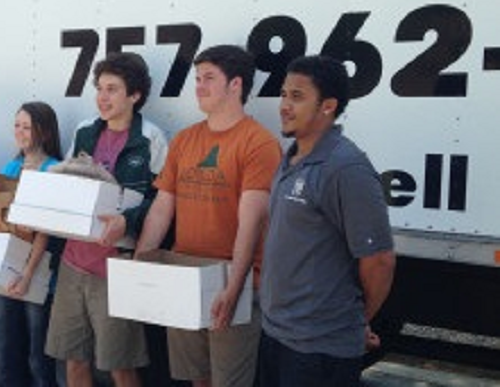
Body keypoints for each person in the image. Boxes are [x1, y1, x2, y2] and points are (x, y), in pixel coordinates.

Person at [135, 45, 282, 387]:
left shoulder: (258, 143)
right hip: (183, 275)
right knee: (196, 378)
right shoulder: (185, 139)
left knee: (227, 382)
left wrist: (234, 286)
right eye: (197, 79)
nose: (199, 86)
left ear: (236, 85)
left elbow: (252, 222)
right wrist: (141, 263)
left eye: (209, 78)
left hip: (233, 279)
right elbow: (161, 208)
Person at [258, 55, 396, 387]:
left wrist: (356, 321)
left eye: (297, 96)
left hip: (318, 351)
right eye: (284, 94)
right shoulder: (292, 157)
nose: (284, 105)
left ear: (328, 106)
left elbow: (379, 261)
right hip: (276, 335)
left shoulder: (346, 168)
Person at [45, 52, 168, 387]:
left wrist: (127, 220)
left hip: (116, 266)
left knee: (120, 366)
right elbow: (66, 182)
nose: (103, 97)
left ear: (135, 95)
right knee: (74, 360)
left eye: (113, 89)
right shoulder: (85, 131)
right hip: (73, 262)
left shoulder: (152, 139)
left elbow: (163, 201)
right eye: (100, 88)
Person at [0, 101, 63, 387]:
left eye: (27, 127)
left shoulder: (54, 169)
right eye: (17, 126)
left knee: (38, 358)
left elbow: (44, 230)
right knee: (7, 352)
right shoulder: (11, 167)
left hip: (37, 273)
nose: (20, 132)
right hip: (7, 269)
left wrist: (28, 275)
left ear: (44, 132)